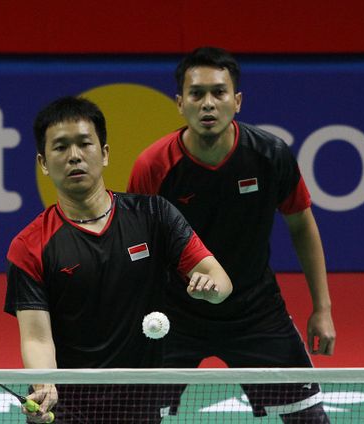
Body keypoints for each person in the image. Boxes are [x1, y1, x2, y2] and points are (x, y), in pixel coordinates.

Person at [127, 46, 336, 422]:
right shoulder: (153, 166)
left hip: (254, 309)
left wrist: (322, 309)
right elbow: (136, 245)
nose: (208, 104)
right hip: (174, 313)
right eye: (196, 94)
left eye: (219, 93)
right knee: (134, 416)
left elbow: (302, 226)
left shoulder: (270, 155)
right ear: (179, 103)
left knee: (310, 418)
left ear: (236, 101)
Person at [4, 96, 232, 423]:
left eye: (85, 144)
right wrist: (45, 384)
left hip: (139, 405)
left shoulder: (154, 216)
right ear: (43, 162)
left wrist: (210, 288)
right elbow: (37, 337)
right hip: (69, 408)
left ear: (105, 153)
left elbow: (220, 280)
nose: (74, 156)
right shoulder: (30, 246)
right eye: (60, 147)